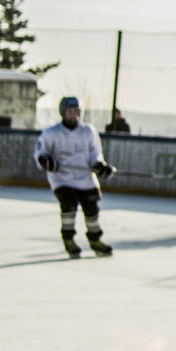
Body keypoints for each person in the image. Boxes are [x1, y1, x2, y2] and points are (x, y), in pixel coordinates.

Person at [33, 96, 117, 258]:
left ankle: (95, 239)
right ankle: (68, 238)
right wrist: (46, 161)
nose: (72, 114)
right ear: (63, 113)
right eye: (69, 112)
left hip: (85, 178)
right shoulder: (52, 133)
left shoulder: (88, 131)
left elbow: (95, 152)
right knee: (69, 205)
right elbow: (41, 153)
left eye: (75, 111)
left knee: (92, 209)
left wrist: (99, 165)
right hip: (61, 178)